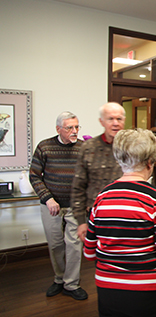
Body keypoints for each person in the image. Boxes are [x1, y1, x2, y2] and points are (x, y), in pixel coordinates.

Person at [84, 129, 156, 317]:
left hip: (108, 294)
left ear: (120, 160)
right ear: (150, 163)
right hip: (149, 297)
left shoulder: (102, 198)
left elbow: (89, 252)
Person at [29, 111, 88, 300]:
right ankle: (59, 279)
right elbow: (34, 176)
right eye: (70, 127)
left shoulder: (83, 148)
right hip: (51, 206)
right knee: (55, 244)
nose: (75, 131)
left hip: (75, 206)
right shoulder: (44, 147)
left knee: (74, 246)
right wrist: (48, 198)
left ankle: (71, 284)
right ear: (58, 129)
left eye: (77, 127)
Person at [71, 102, 125, 242]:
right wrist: (81, 221)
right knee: (101, 257)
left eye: (119, 119)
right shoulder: (89, 148)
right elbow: (78, 185)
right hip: (97, 217)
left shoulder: (131, 147)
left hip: (127, 215)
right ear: (101, 121)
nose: (115, 123)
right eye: (110, 119)